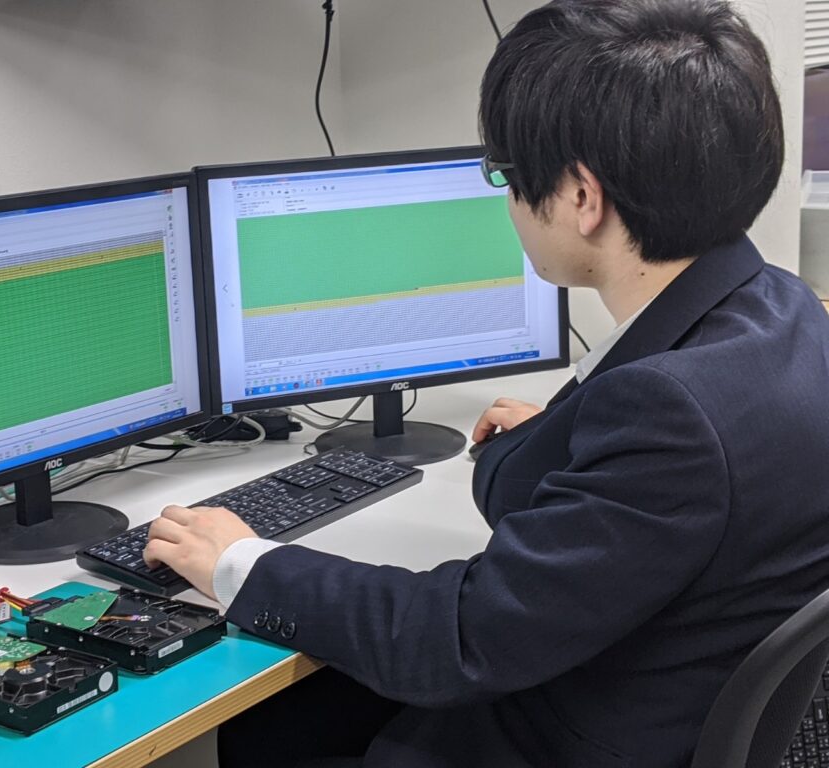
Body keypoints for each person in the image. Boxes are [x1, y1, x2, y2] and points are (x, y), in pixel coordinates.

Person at [145, 1, 829, 765]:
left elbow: (457, 641)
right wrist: (574, 445)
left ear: (582, 198)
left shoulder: (668, 413)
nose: (507, 199)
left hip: (564, 737)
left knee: (269, 724)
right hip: (645, 686)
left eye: (504, 174)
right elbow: (653, 510)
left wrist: (242, 562)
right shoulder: (782, 309)